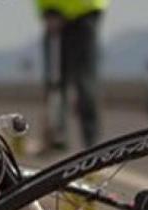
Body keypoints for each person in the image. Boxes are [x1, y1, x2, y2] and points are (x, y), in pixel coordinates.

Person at [36, 0, 109, 152]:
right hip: (59, 14)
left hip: (84, 12)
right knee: (55, 83)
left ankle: (91, 139)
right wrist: (49, 10)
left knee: (84, 84)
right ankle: (58, 135)